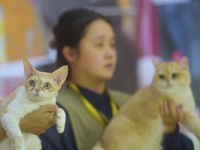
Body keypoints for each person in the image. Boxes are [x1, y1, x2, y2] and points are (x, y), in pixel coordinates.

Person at [39, 8, 194, 150]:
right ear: (71, 54)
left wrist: (170, 131)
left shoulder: (132, 102)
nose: (110, 53)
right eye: (99, 45)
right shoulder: (52, 113)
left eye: (112, 45)